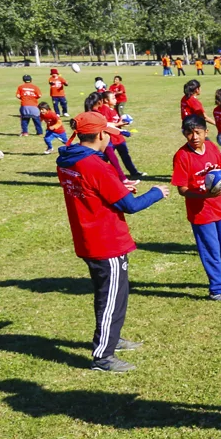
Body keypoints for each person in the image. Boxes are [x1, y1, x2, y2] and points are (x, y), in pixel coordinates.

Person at [56, 111, 170, 372]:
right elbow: (129, 206)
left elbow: (94, 192)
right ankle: (103, 356)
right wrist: (156, 193)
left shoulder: (68, 159)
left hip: (87, 237)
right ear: (99, 135)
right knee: (112, 298)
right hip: (106, 241)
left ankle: (113, 339)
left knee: (107, 295)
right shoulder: (95, 165)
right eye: (108, 133)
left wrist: (118, 186)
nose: (110, 138)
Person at [171, 114, 221, 301]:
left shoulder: (212, 147)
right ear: (184, 134)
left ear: (206, 131)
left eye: (198, 132)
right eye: (189, 133)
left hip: (219, 208)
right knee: (211, 249)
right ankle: (217, 289)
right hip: (201, 213)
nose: (194, 137)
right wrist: (204, 194)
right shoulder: (182, 156)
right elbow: (182, 189)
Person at [96, 90, 145, 180]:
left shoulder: (113, 109)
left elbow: (116, 122)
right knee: (106, 158)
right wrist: (118, 125)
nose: (116, 100)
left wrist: (122, 123)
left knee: (125, 155)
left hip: (119, 137)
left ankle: (133, 172)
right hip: (110, 139)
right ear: (106, 100)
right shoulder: (103, 109)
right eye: (113, 98)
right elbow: (105, 124)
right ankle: (100, 174)